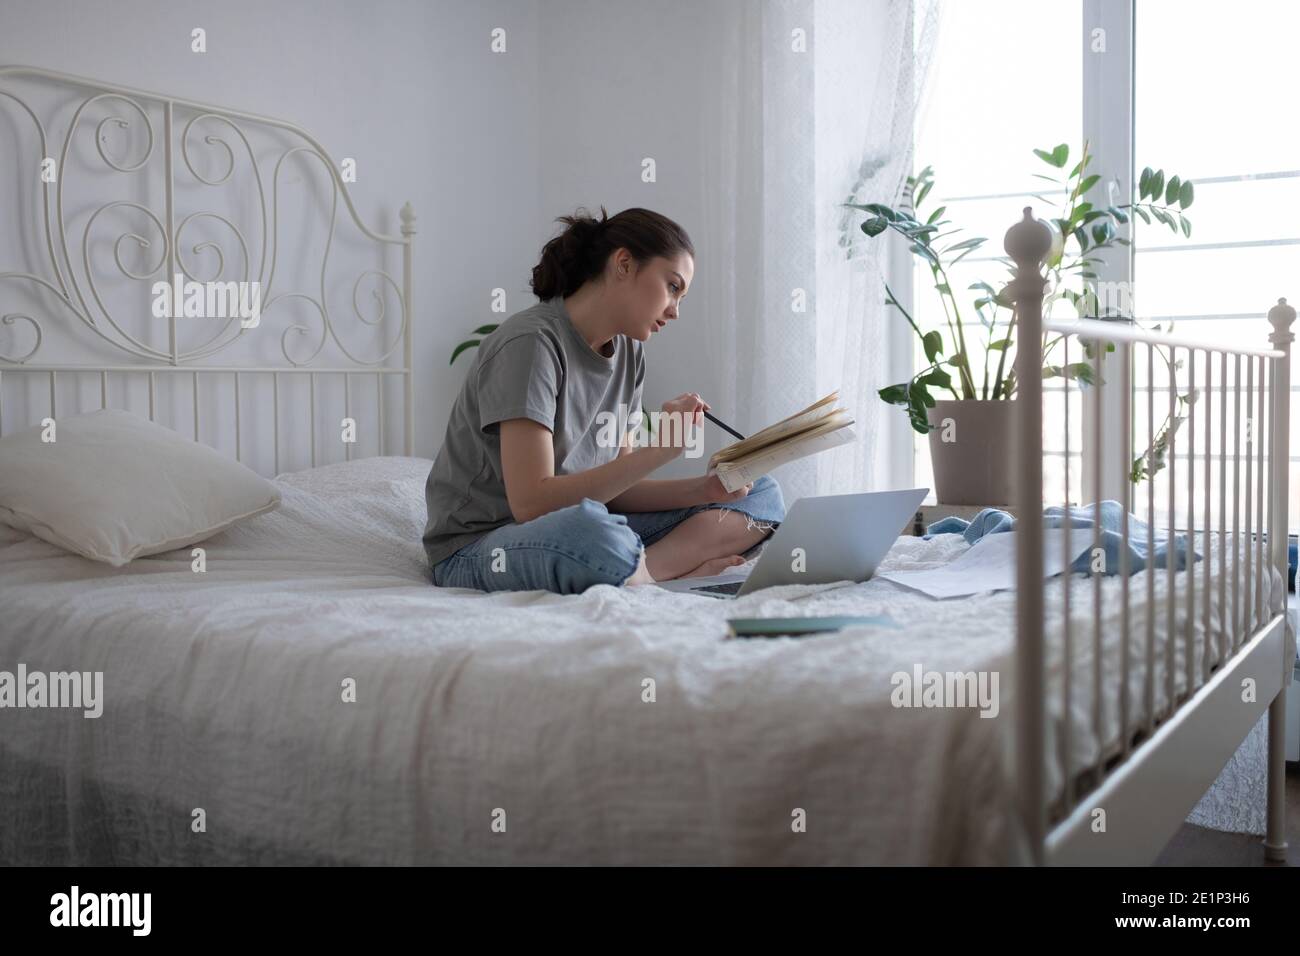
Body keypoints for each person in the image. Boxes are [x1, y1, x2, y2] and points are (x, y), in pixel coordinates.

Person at [423, 205, 785, 594]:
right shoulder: (529, 344)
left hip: (580, 525)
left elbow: (618, 492)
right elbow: (530, 504)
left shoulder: (630, 353)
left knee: (762, 496)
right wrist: (660, 451)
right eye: (673, 287)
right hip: (481, 545)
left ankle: (645, 568)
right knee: (594, 533)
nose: (675, 311)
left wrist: (705, 490)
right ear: (624, 264)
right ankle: (657, 569)